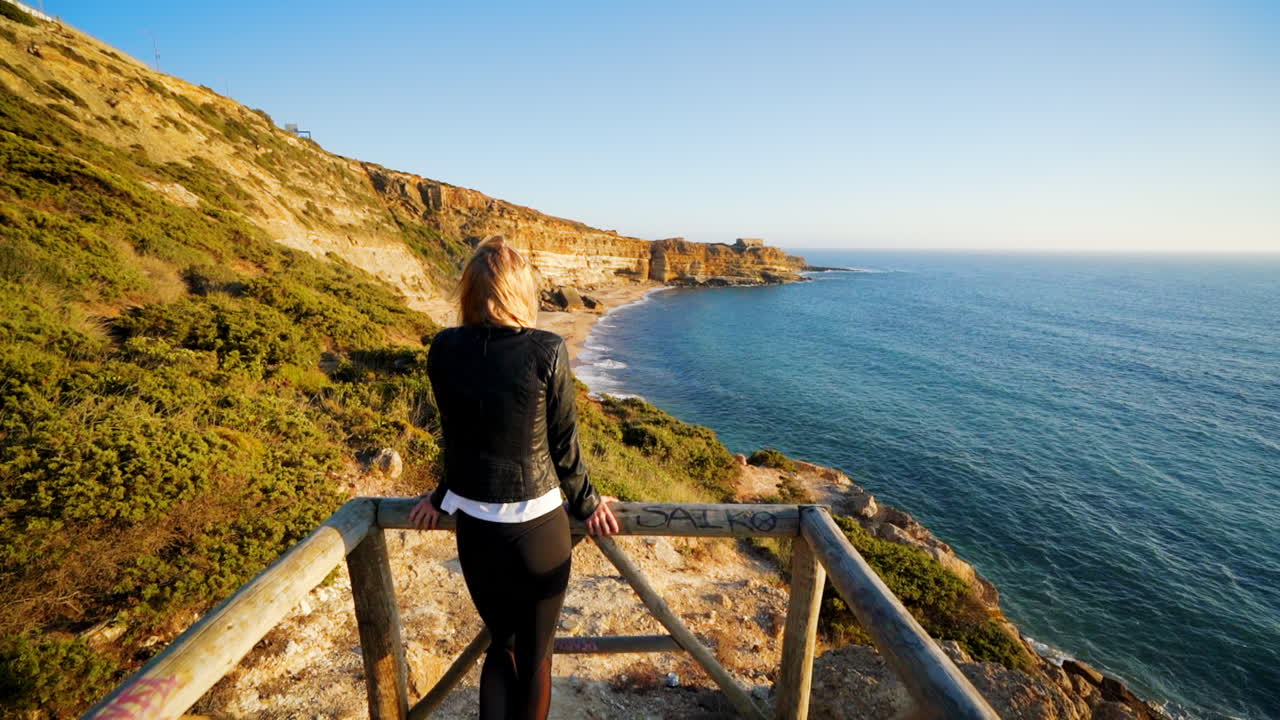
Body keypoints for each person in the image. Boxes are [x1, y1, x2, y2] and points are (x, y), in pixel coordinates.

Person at [408, 235, 620, 720]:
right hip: (538, 530)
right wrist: (589, 505)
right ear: (520, 290)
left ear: (471, 292)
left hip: (477, 532)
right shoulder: (546, 348)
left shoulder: (444, 348)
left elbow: (458, 437)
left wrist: (441, 497)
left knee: (500, 649)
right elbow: (564, 446)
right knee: (536, 659)